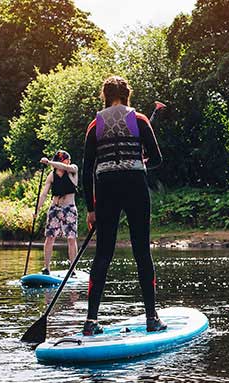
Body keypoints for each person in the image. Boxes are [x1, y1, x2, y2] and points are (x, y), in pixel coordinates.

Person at [80, 75, 165, 336]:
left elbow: (86, 170)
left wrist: (90, 209)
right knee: (142, 252)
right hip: (134, 186)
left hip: (105, 188)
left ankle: (91, 321)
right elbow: (157, 159)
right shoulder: (139, 120)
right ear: (127, 94)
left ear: (105, 96)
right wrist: (141, 158)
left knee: (103, 254)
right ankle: (152, 318)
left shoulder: (95, 124)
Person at [36, 151, 79, 275]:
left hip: (69, 208)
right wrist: (37, 209)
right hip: (55, 208)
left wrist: (49, 162)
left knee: (71, 238)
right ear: (61, 160)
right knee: (50, 237)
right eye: (67, 159)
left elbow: (65, 167)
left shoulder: (72, 170)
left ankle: (72, 269)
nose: (69, 161)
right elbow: (44, 194)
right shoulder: (52, 175)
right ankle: (47, 268)